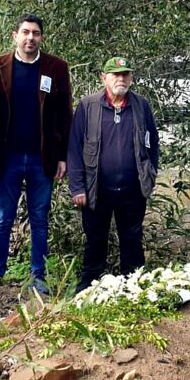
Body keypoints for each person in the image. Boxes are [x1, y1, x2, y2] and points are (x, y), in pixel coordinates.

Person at [0, 14, 73, 295]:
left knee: (39, 218)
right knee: (3, 217)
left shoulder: (56, 68)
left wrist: (63, 156)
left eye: (35, 33)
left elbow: (64, 115)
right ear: (15, 35)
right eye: (25, 32)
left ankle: (38, 275)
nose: (30, 38)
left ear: (41, 37)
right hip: (8, 157)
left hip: (41, 157)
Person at [67, 56, 159, 293]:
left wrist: (149, 176)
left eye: (125, 74)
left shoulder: (141, 106)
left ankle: (134, 288)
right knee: (95, 240)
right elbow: (74, 149)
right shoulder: (89, 106)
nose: (121, 79)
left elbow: (153, 145)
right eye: (115, 75)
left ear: (131, 77)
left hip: (132, 189)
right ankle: (88, 289)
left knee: (132, 241)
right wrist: (77, 187)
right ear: (103, 78)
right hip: (96, 189)